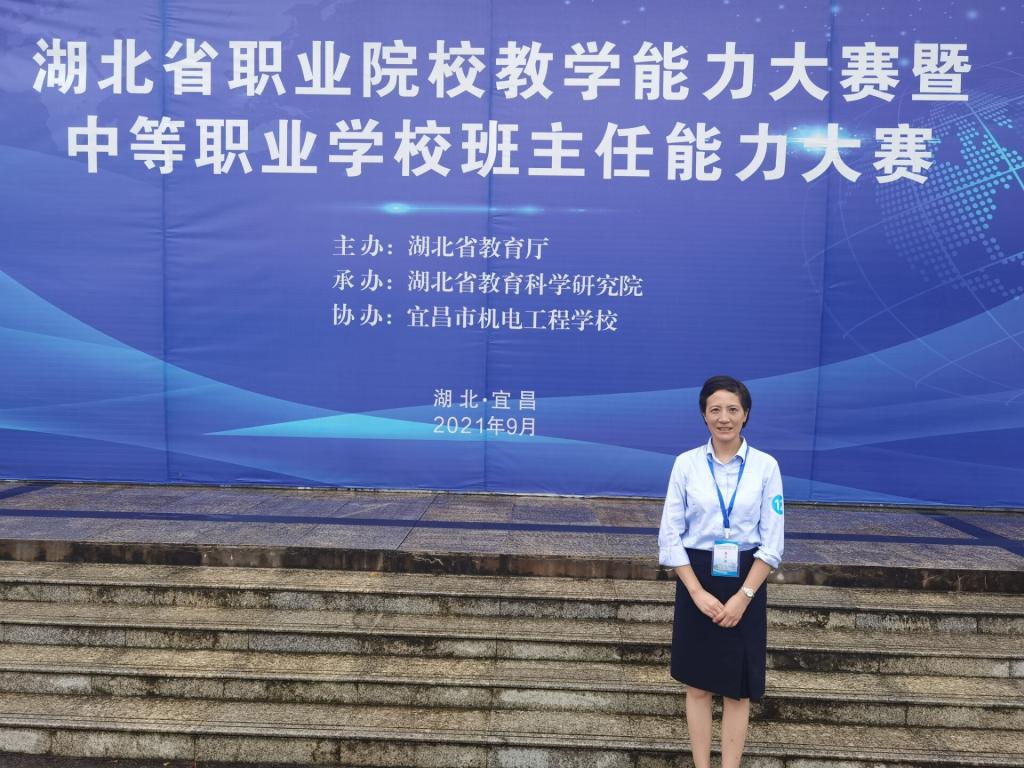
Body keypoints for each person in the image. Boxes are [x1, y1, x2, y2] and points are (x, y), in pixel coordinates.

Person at [657, 375, 784, 768]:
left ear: (746, 415)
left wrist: (744, 597)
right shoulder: (686, 464)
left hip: (747, 579)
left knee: (737, 690)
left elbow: (772, 542)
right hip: (697, 578)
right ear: (704, 415)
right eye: (715, 410)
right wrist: (696, 592)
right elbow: (670, 534)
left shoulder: (766, 467)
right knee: (697, 686)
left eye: (732, 409)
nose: (723, 418)